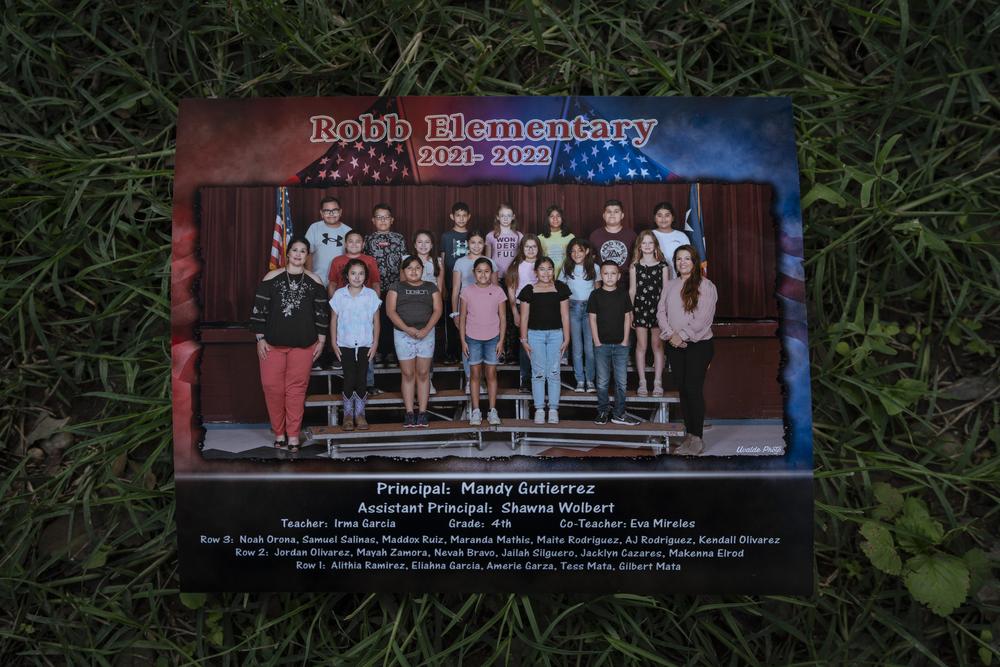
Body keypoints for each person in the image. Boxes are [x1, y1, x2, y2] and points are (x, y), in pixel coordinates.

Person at [250, 237, 329, 452]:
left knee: (296, 390)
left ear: (307, 256)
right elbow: (259, 311)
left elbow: (322, 313)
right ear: (287, 253)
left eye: (303, 251)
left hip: (304, 344)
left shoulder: (315, 281)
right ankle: (279, 432)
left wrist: (321, 340)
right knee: (272, 388)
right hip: (271, 344)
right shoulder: (271, 278)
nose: (298, 254)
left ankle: (293, 434)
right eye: (294, 250)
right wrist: (259, 338)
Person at [657, 245, 717, 455]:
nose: (682, 263)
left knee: (693, 388)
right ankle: (689, 436)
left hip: (698, 345)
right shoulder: (670, 285)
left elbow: (703, 319)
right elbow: (661, 312)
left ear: (694, 262)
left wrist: (681, 336)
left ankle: (698, 438)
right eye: (679, 259)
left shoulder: (706, 286)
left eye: (687, 259)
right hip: (674, 345)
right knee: (683, 390)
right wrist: (669, 335)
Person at [387, 256, 443, 428]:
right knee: (408, 374)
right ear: (403, 271)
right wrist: (406, 328)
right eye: (409, 268)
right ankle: (410, 412)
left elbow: (437, 310)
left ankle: (423, 413)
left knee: (424, 373)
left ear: (423, 270)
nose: (413, 271)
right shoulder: (396, 287)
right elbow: (390, 311)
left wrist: (426, 329)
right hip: (403, 335)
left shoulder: (431, 287)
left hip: (426, 334)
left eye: (417, 268)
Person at [329, 258, 381, 431]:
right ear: (347, 275)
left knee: (362, 379)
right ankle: (348, 415)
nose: (357, 277)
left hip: (366, 343)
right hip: (345, 344)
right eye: (353, 273)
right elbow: (334, 320)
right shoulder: (339, 295)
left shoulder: (370, 295)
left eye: (361, 274)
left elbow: (376, 321)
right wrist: (334, 343)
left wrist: (375, 344)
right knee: (349, 378)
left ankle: (360, 414)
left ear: (365, 276)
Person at [518, 257, 571, 424]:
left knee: (554, 372)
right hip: (535, 335)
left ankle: (554, 408)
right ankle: (539, 408)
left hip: (556, 334)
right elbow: (524, 317)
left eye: (549, 269)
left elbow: (565, 315)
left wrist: (566, 337)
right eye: (542, 269)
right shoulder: (529, 290)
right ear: (535, 272)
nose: (546, 272)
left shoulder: (560, 288)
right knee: (538, 373)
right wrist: (524, 339)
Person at [588, 261, 641, 426]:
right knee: (602, 381)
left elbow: (627, 318)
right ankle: (603, 411)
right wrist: (596, 341)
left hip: (621, 345)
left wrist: (625, 340)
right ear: (601, 276)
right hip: (601, 345)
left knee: (621, 381)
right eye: (606, 273)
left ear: (618, 276)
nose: (609, 277)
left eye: (613, 273)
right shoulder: (595, 295)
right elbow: (592, 318)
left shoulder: (623, 294)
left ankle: (619, 413)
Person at [327, 230, 381, 392]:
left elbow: (376, 283)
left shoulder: (369, 260)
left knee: (367, 345)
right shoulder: (338, 261)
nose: (354, 244)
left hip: (365, 307)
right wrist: (336, 302)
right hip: (345, 309)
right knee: (348, 348)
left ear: (363, 244)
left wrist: (375, 303)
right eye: (351, 241)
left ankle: (368, 382)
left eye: (358, 241)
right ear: (345, 244)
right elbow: (332, 284)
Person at [459, 258, 507, 427]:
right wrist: (463, 340)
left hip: (493, 338)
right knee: (474, 375)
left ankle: (492, 410)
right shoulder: (467, 291)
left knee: (491, 375)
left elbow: (502, 317)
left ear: (491, 273)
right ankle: (476, 410)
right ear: (474, 273)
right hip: (472, 338)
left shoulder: (498, 291)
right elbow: (463, 317)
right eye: (479, 271)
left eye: (487, 271)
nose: (483, 274)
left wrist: (501, 340)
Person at [451, 230, 496, 391]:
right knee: (469, 344)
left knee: (487, 344)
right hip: (467, 309)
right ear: (468, 244)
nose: (476, 246)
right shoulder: (460, 263)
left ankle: (482, 380)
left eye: (479, 242)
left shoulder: (490, 262)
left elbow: (495, 290)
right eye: (473, 242)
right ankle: (471, 379)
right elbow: (456, 289)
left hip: (487, 311)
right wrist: (455, 312)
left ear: (484, 244)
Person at [363, 203, 406, 365]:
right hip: (374, 288)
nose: (383, 220)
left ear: (392, 220)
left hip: (394, 287)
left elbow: (404, 263)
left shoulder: (399, 238)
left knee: (392, 320)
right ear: (373, 220)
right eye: (379, 217)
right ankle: (378, 351)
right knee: (375, 320)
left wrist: (402, 285)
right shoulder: (368, 239)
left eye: (386, 217)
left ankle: (391, 352)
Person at [404, 230, 445, 394]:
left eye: (427, 242)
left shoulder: (437, 262)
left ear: (432, 245)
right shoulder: (406, 261)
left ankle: (427, 380)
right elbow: (402, 286)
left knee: (427, 348)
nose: (423, 245)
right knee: (410, 348)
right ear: (414, 245)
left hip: (429, 310)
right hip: (410, 310)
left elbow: (439, 289)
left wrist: (435, 309)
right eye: (419, 242)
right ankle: (411, 382)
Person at [629, 230, 669, 397]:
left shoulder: (663, 266)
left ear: (655, 246)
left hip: (658, 309)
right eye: (643, 243)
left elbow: (666, 291)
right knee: (641, 345)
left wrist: (665, 313)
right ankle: (643, 382)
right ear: (639, 246)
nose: (646, 246)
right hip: (640, 309)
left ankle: (658, 382)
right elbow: (632, 291)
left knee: (657, 345)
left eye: (650, 243)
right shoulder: (634, 267)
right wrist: (630, 312)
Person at [506, 234, 541, 392]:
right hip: (521, 307)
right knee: (524, 343)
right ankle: (525, 380)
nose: (531, 250)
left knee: (540, 343)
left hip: (540, 307)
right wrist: (515, 311)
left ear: (538, 248)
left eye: (534, 246)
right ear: (522, 248)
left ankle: (540, 378)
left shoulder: (543, 264)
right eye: (527, 247)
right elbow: (511, 290)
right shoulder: (516, 266)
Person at [563, 238, 598, 393]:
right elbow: (561, 289)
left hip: (589, 309)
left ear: (587, 251)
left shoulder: (594, 268)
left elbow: (598, 292)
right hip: (573, 308)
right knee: (576, 348)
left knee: (589, 348)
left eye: (580, 250)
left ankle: (590, 380)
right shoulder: (566, 268)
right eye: (573, 251)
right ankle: (579, 380)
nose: (576, 254)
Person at [440, 202, 471, 363]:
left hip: (470, 286)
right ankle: (451, 353)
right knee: (453, 319)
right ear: (452, 216)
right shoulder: (446, 236)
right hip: (452, 285)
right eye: (458, 215)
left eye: (464, 215)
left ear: (469, 217)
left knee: (469, 319)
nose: (461, 218)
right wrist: (444, 284)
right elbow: (444, 261)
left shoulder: (472, 235)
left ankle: (465, 351)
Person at [305, 196, 351, 288]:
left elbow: (350, 257)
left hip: (340, 282)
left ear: (340, 212)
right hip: (317, 279)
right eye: (327, 211)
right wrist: (310, 276)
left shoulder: (348, 231)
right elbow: (308, 253)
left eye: (335, 210)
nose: (331, 214)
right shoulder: (314, 228)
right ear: (321, 213)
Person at [589, 199, 637, 276]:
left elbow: (636, 259)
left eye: (616, 211)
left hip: (626, 280)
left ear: (622, 215)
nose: (612, 214)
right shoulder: (595, 235)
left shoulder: (631, 235)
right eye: (609, 212)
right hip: (602, 279)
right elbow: (591, 261)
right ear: (604, 216)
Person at [649, 201, 689, 279]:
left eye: (667, 215)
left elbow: (689, 259)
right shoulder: (649, 235)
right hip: (654, 279)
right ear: (654, 218)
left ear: (673, 218)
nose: (663, 219)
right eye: (659, 215)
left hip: (678, 279)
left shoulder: (682, 236)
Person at [485, 203, 523, 282]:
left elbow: (522, 258)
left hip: (513, 275)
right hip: (496, 275)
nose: (506, 219)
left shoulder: (519, 235)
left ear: (513, 217)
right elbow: (487, 258)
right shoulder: (490, 235)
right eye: (502, 216)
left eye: (508, 216)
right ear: (498, 217)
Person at [538, 204, 575, 276]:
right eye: (552, 216)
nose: (555, 219)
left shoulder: (570, 237)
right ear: (547, 219)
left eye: (558, 216)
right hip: (547, 276)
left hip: (566, 275)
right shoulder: (540, 238)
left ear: (562, 218)